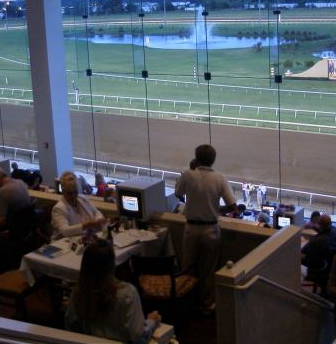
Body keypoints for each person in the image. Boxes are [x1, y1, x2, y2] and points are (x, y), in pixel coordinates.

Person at [175, 144, 237, 313]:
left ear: (196, 158)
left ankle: (187, 302)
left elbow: (178, 194)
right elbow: (233, 206)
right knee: (209, 269)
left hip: (191, 228)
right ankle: (207, 303)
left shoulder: (188, 175)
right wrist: (216, 210)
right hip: (211, 229)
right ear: (213, 160)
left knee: (187, 266)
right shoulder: (220, 178)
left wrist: (192, 201)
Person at [65, 239, 161, 343]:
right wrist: (152, 322)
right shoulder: (127, 293)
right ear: (112, 264)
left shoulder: (77, 293)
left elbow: (71, 329)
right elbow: (139, 338)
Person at [51, 171, 106, 240]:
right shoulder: (58, 208)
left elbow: (96, 212)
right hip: (62, 243)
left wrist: (99, 219)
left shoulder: (82, 198)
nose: (73, 195)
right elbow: (65, 231)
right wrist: (86, 225)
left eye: (75, 192)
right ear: (63, 191)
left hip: (83, 239)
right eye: (70, 193)